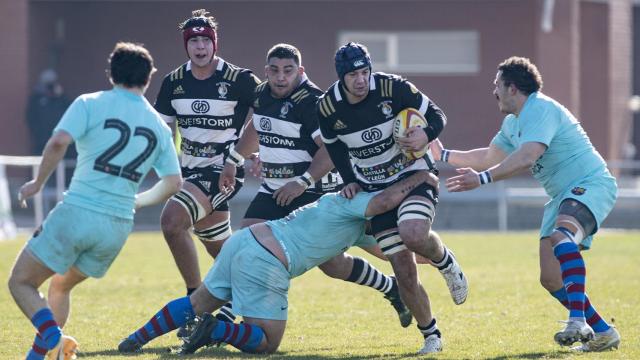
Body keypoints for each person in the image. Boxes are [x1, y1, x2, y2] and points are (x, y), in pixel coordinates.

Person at [118, 170, 438, 355]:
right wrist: (422, 177)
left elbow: (393, 251)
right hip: (269, 259)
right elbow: (384, 200)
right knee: (268, 342)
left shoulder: (354, 222)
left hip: (244, 240)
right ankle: (217, 330)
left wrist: (438, 259)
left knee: (198, 301)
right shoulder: (356, 200)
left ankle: (136, 339)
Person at [430, 56, 620, 352]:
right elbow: (488, 157)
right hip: (562, 197)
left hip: (590, 183)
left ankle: (577, 320)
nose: (493, 92)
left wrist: (481, 180)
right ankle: (604, 332)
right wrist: (441, 155)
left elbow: (527, 156)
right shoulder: (513, 122)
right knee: (551, 279)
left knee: (562, 236)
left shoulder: (540, 108)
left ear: (513, 88)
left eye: (497, 85)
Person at [8, 42, 182, 360]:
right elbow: (173, 182)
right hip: (115, 228)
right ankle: (39, 357)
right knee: (60, 285)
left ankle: (54, 339)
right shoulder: (159, 125)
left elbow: (60, 140)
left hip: (77, 212)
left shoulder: (91, 102)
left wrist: (37, 182)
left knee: (20, 282)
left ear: (110, 73)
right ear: (149, 77)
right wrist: (138, 201)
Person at [219, 43, 411, 327]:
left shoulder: (312, 102)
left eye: (288, 70)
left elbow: (331, 150)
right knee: (246, 244)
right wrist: (234, 157)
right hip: (273, 190)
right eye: (274, 70)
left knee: (334, 265)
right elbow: (258, 126)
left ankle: (394, 285)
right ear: (266, 71)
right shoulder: (261, 94)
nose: (281, 77)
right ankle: (223, 317)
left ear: (301, 71)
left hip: (312, 192)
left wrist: (302, 182)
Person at [317, 42, 467, 353]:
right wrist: (350, 181)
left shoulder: (392, 87)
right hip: (374, 189)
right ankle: (432, 336)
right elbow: (334, 147)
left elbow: (437, 115)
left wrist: (426, 134)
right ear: (341, 77)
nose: (361, 80)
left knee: (413, 234)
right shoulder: (329, 107)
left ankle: (444, 261)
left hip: (413, 174)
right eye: (353, 75)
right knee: (402, 268)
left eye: (364, 72)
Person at [153, 9, 260, 303]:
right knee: (220, 250)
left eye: (205, 40)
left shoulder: (239, 78)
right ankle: (251, 293)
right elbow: (162, 131)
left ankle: (193, 302)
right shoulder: (173, 81)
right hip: (190, 173)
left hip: (224, 171)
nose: (200, 47)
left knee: (172, 223)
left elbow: (267, 115)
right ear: (186, 45)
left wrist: (257, 150)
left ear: (215, 44)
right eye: (193, 41)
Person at [26, 69, 72, 157]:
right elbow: (30, 117)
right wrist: (37, 132)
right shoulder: (36, 98)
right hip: (42, 139)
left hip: (58, 137)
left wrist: (60, 96)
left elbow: (69, 110)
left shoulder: (60, 98)